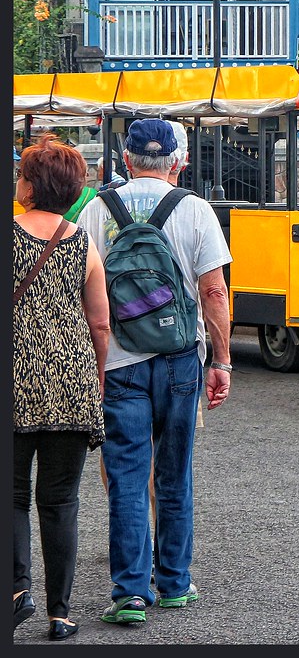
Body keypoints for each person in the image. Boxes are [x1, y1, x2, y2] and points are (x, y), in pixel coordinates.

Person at [78, 118, 233, 626]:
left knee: (125, 475)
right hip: (178, 359)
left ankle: (128, 594)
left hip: (120, 361)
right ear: (176, 161)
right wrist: (222, 359)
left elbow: (87, 293)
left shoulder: (99, 210)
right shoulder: (195, 210)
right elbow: (213, 293)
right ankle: (174, 584)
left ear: (125, 160)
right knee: (174, 472)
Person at [14, 133, 109, 642]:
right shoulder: (82, 242)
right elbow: (100, 324)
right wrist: (93, 381)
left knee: (11, 496)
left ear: (29, 187)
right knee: (60, 500)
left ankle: (17, 590)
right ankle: (60, 613)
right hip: (70, 382)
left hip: (14, 380)